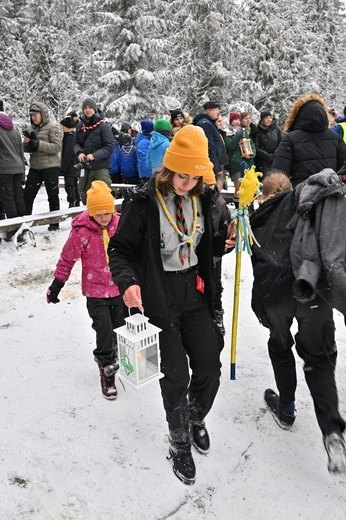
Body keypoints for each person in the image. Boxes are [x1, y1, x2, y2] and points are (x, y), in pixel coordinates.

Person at [108, 125, 235, 486]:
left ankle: (194, 415)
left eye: (194, 177)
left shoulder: (205, 198)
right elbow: (118, 250)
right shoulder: (144, 201)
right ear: (169, 169)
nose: (187, 183)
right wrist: (128, 283)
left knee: (210, 364)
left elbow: (207, 243)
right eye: (182, 175)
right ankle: (178, 439)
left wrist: (221, 242)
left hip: (194, 292)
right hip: (159, 294)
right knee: (176, 374)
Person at [250, 171, 346, 474]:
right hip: (310, 289)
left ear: (264, 195)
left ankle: (287, 407)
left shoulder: (258, 219)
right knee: (317, 359)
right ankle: (332, 430)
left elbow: (258, 265)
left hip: (275, 296)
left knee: (280, 347)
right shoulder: (307, 206)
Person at [46, 181, 123, 400]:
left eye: (107, 212)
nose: (105, 218)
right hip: (96, 292)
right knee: (105, 331)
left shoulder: (119, 225)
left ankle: (115, 355)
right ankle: (106, 367)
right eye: (99, 214)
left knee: (120, 328)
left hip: (119, 289)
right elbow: (67, 259)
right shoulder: (82, 232)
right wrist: (57, 285)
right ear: (90, 213)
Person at [272, 92, 346, 187]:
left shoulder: (290, 139)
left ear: (298, 116)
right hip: (330, 195)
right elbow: (343, 169)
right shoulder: (335, 137)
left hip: (301, 195)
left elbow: (278, 175)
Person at [23, 102, 62, 230]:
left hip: (50, 166)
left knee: (52, 195)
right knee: (27, 195)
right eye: (31, 115)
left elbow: (57, 147)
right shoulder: (30, 129)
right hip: (35, 167)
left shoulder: (52, 128)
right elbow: (25, 148)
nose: (33, 117)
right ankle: (25, 223)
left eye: (36, 115)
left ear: (42, 114)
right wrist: (27, 144)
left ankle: (54, 223)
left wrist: (38, 144)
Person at [74, 97, 114, 204]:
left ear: (95, 109)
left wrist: (95, 155)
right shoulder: (80, 126)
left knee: (103, 198)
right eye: (85, 108)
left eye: (90, 107)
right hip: (85, 168)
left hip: (100, 167)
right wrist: (79, 152)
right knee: (85, 197)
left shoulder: (103, 127)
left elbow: (110, 146)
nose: (88, 110)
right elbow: (76, 143)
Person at [224, 111, 256, 206]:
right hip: (235, 163)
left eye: (238, 119)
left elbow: (251, 145)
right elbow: (230, 145)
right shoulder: (228, 132)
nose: (237, 122)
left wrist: (251, 154)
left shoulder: (244, 133)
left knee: (249, 187)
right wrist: (238, 134)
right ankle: (238, 208)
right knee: (238, 188)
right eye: (235, 120)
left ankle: (246, 207)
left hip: (247, 163)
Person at [0, 109, 26, 221]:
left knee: (8, 198)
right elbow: (21, 153)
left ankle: (13, 227)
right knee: (18, 197)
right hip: (18, 168)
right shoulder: (14, 131)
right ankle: (22, 223)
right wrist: (23, 173)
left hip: (4, 169)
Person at [193, 101, 223, 185]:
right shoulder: (205, 124)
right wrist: (215, 165)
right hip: (209, 164)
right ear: (208, 111)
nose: (218, 112)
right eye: (216, 109)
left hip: (212, 162)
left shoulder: (209, 123)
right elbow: (209, 145)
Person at [60, 115, 80, 207]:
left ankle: (73, 203)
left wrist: (63, 168)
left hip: (70, 166)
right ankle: (76, 201)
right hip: (74, 165)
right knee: (74, 185)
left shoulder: (69, 137)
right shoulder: (73, 136)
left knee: (70, 185)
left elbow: (68, 153)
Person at [254, 111, 283, 175]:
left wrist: (275, 154)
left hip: (276, 159)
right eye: (266, 118)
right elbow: (256, 147)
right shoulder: (257, 131)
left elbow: (282, 143)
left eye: (270, 118)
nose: (269, 120)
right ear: (262, 119)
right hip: (263, 161)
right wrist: (267, 155)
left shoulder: (277, 130)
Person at [134, 119, 153, 185]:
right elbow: (143, 158)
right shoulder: (144, 142)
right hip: (146, 174)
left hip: (146, 173)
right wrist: (149, 173)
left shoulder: (146, 140)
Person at [214, 114, 229, 192]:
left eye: (221, 121)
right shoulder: (214, 134)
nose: (221, 123)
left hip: (221, 162)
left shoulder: (220, 133)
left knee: (221, 180)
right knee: (219, 180)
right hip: (217, 161)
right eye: (219, 121)